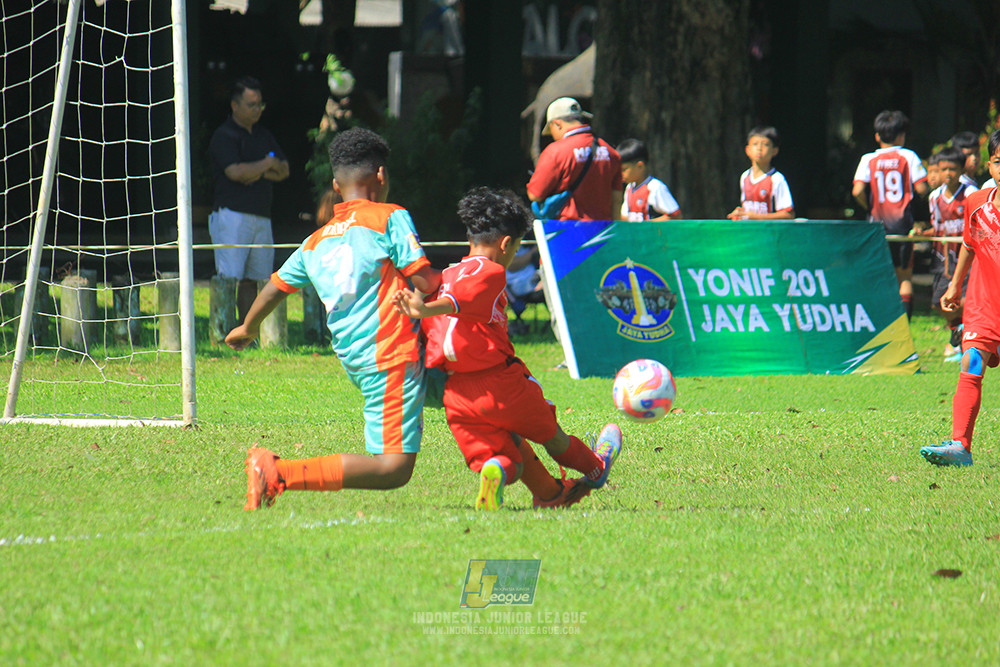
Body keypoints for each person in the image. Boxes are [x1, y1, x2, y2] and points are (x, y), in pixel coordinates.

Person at [227, 127, 442, 510]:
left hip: (359, 358)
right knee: (394, 468)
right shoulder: (389, 218)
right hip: (391, 352)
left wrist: (249, 326)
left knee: (470, 386)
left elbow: (276, 286)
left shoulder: (317, 240)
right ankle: (280, 472)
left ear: (336, 185)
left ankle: (529, 473)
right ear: (381, 176)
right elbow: (426, 278)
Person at [392, 187, 622, 510]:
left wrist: (424, 308)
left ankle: (497, 472)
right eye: (515, 247)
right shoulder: (490, 271)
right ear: (505, 244)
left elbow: (447, 304)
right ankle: (596, 468)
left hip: (457, 395)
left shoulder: (444, 275)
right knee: (553, 437)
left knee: (503, 457)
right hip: (502, 385)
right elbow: (463, 299)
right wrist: (427, 310)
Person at [920, 129, 1000, 467]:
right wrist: (955, 285)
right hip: (983, 304)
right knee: (971, 361)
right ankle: (960, 446)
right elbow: (969, 244)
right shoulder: (977, 203)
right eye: (998, 161)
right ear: (988, 165)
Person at [209, 76, 290, 325]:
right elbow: (235, 173)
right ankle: (221, 330)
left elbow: (284, 170)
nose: (257, 110)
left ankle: (247, 329)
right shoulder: (224, 136)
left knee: (256, 279)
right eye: (251, 104)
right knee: (229, 278)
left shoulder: (264, 135)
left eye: (260, 105)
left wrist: (254, 171)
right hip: (232, 216)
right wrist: (267, 164)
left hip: (261, 217)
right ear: (235, 105)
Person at [852, 110, 929, 319]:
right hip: (903, 226)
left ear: (877, 136)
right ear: (902, 135)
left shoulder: (868, 158)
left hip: (877, 227)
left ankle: (878, 320)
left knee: (877, 274)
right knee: (904, 277)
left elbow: (857, 191)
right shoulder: (908, 156)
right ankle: (904, 324)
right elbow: (922, 189)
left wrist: (869, 207)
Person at [916, 147, 978, 361]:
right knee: (938, 300)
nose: (948, 174)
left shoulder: (970, 194)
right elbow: (938, 227)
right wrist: (923, 233)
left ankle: (967, 341)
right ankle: (958, 329)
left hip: (967, 256)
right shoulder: (934, 197)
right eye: (943, 169)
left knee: (967, 300)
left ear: (961, 170)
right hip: (943, 259)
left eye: (953, 169)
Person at [526, 97, 623, 221]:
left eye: (552, 131)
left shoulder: (555, 151)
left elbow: (535, 194)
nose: (553, 137)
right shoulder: (611, 153)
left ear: (557, 124)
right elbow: (617, 200)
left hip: (567, 232)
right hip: (603, 232)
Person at [726, 126, 795, 220]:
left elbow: (788, 215)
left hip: (769, 233)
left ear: (774, 151)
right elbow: (747, 211)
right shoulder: (745, 177)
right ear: (748, 150)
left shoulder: (776, 179)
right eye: (755, 144)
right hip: (750, 232)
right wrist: (740, 214)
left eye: (765, 145)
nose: (759, 148)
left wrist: (757, 217)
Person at [617, 138, 682, 221]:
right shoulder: (629, 188)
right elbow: (626, 217)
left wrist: (647, 227)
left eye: (624, 169)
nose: (620, 174)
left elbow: (675, 215)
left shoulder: (655, 187)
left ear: (640, 166)